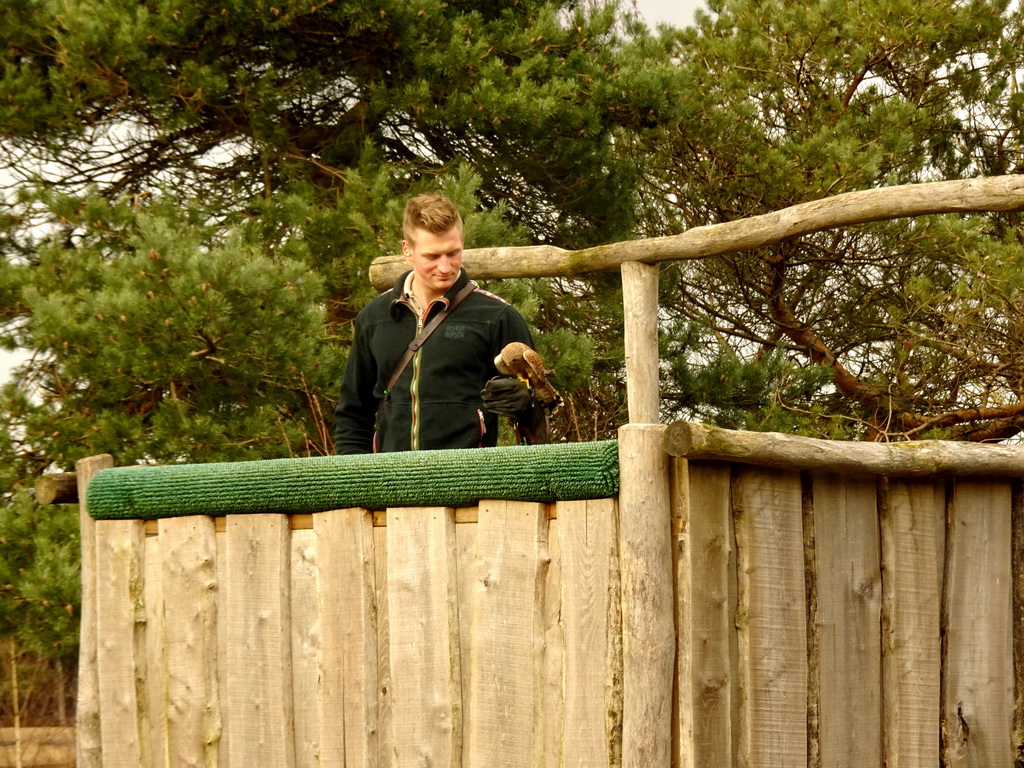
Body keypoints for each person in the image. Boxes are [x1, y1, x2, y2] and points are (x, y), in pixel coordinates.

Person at [334, 193, 537, 454]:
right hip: (389, 482)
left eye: (453, 253)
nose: (445, 267)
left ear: (462, 242)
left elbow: (540, 413)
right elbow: (353, 412)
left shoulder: (497, 316)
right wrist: (355, 481)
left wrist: (526, 402)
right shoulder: (374, 318)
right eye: (432, 256)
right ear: (407, 250)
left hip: (469, 481)